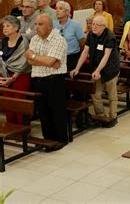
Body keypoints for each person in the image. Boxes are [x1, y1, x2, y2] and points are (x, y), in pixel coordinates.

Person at [26, 14, 68, 151]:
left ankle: (61, 139)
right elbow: (30, 61)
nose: (36, 27)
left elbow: (50, 62)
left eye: (40, 24)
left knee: (56, 110)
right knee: (43, 112)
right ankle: (48, 139)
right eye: (36, 24)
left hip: (54, 80)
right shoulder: (34, 39)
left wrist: (34, 57)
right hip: (38, 79)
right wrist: (42, 59)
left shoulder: (58, 40)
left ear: (50, 26)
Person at [70, 15, 121, 127]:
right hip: (97, 69)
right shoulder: (91, 35)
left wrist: (98, 70)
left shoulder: (110, 36)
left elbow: (106, 56)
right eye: (93, 24)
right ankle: (101, 116)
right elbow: (85, 52)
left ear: (104, 26)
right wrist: (77, 68)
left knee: (112, 95)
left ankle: (113, 117)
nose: (94, 26)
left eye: (97, 25)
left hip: (110, 69)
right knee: (96, 94)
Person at [0, 16, 32, 124]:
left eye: (8, 26)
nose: (4, 28)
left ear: (16, 27)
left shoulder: (23, 41)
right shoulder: (3, 41)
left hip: (20, 76)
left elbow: (24, 62)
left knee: (19, 102)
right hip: (4, 75)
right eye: (3, 26)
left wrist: (13, 78)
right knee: (8, 103)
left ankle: (22, 131)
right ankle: (11, 128)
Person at [53, 1, 86, 71]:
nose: (57, 10)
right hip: (57, 57)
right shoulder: (54, 24)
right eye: (56, 8)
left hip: (72, 57)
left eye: (60, 8)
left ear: (67, 12)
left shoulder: (76, 25)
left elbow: (82, 42)